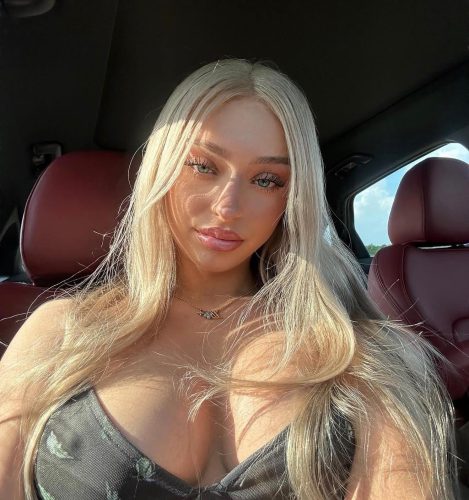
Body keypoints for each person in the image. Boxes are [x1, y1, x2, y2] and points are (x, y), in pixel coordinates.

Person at [0, 58, 458, 500]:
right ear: (162, 170)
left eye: (266, 179)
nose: (228, 206)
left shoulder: (366, 352)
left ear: (292, 199)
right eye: (203, 166)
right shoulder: (58, 333)